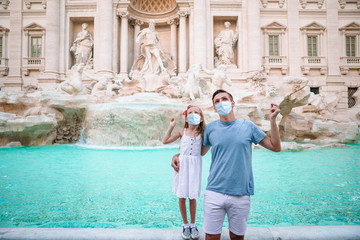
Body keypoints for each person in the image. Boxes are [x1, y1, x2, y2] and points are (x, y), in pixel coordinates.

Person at [172, 89, 281, 240]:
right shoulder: (210, 129)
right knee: (210, 237)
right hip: (214, 192)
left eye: (224, 99)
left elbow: (275, 147)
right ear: (214, 108)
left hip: (241, 193)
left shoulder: (248, 126)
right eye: (217, 101)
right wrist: (176, 156)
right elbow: (197, 152)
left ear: (232, 103)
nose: (221, 102)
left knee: (237, 237)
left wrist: (273, 121)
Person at [162, 105, 207, 240]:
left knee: (192, 197)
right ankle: (185, 224)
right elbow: (165, 141)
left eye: (197, 113)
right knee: (182, 197)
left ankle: (193, 224)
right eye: (190, 113)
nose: (193, 114)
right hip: (182, 167)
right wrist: (171, 126)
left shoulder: (203, 133)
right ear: (186, 117)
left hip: (194, 167)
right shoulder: (182, 131)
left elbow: (202, 152)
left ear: (201, 118)